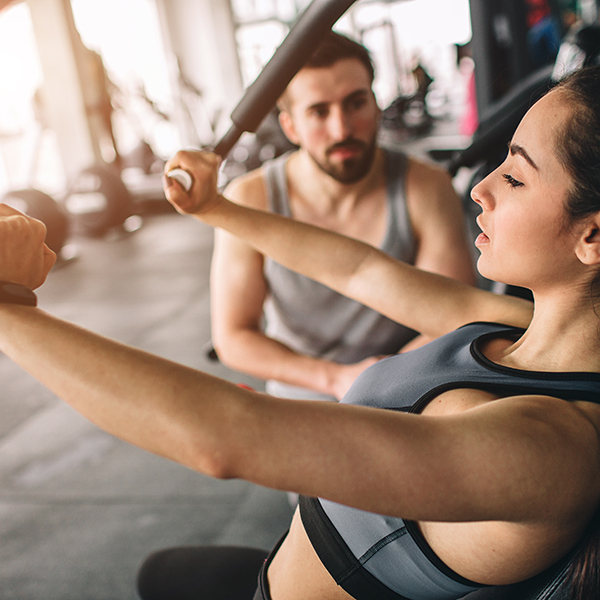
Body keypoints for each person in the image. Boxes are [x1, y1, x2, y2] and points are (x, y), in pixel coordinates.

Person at [1, 67, 600, 600]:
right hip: (279, 563)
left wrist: (10, 313)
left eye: (516, 178)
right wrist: (217, 209)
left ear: (591, 237)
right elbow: (363, 270)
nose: (481, 187)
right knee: (162, 572)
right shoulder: (517, 326)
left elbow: (225, 439)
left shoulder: (547, 450)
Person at [213, 31, 475, 401]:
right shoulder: (250, 199)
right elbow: (233, 336)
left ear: (376, 104)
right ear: (291, 126)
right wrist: (335, 380)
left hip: (409, 382)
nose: (342, 129)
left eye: (356, 104)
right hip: (303, 395)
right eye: (319, 112)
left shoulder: (426, 186)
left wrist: (378, 381)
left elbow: (454, 316)